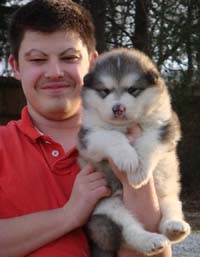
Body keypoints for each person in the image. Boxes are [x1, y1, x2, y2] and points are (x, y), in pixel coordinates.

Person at [0, 0, 171, 256]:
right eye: (37, 59)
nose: (55, 72)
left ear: (93, 63)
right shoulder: (3, 146)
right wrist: (68, 215)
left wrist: (134, 175)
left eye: (69, 58)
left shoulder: (139, 137)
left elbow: (156, 252)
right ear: (15, 66)